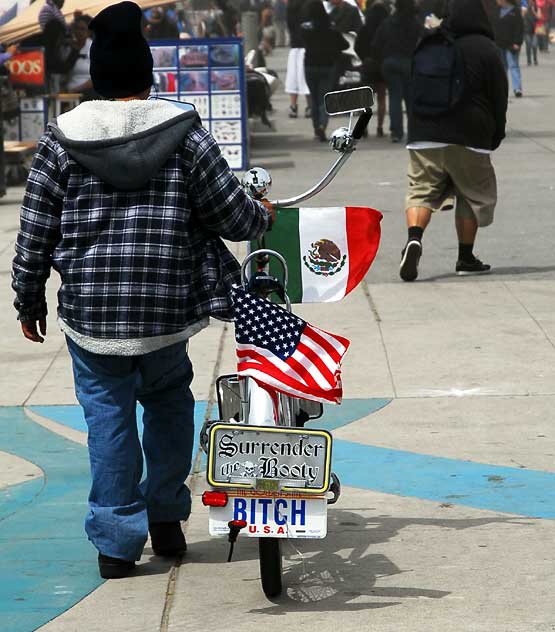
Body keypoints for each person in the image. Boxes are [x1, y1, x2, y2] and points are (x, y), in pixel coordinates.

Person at [12, 0, 273, 580]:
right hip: (165, 308)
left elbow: (34, 232)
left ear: (98, 78)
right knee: (169, 405)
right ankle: (165, 520)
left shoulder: (60, 142)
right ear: (148, 73)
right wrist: (261, 216)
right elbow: (234, 217)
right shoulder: (184, 133)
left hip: (92, 313)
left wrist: (28, 298)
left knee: (107, 419)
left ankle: (115, 543)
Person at [399, 0, 508, 282]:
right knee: (470, 193)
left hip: (424, 132)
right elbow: (499, 96)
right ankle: (465, 257)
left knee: (420, 190)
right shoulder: (486, 48)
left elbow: (413, 86)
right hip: (471, 133)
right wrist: (497, 132)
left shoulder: (430, 41)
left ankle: (414, 238)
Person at [372, 0, 423, 142]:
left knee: (394, 97)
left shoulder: (387, 22)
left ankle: (396, 132)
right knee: (410, 98)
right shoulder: (415, 23)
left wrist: (383, 57)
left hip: (390, 62)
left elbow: (376, 44)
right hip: (409, 62)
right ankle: (413, 131)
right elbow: (424, 40)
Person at [301, 0, 349, 141]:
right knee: (324, 98)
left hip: (310, 65)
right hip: (327, 66)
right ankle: (322, 125)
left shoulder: (306, 28)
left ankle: (316, 127)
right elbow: (344, 44)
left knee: (314, 99)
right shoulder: (331, 28)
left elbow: (301, 37)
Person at [355, 2, 390, 137]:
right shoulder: (386, 28)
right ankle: (380, 127)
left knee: (366, 99)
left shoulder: (364, 29)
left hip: (368, 66)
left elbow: (357, 47)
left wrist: (364, 58)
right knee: (382, 97)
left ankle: (364, 128)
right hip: (382, 66)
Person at [285, 0, 311, 119]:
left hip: (295, 46)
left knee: (293, 78)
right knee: (306, 78)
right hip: (307, 46)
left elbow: (289, 24)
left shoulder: (291, 5)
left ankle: (293, 106)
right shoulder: (311, 4)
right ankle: (310, 106)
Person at [494, 0, 524, 97]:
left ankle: (517, 88)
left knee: (513, 66)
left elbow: (520, 28)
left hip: (512, 45)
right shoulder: (496, 11)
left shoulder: (515, 11)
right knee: (502, 68)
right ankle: (502, 89)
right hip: (499, 44)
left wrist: (517, 42)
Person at [65, 15, 95, 96]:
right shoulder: (69, 48)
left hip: (88, 93)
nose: (79, 32)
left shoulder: (94, 48)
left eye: (82, 29)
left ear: (89, 32)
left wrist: (77, 90)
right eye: (77, 28)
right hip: (69, 92)